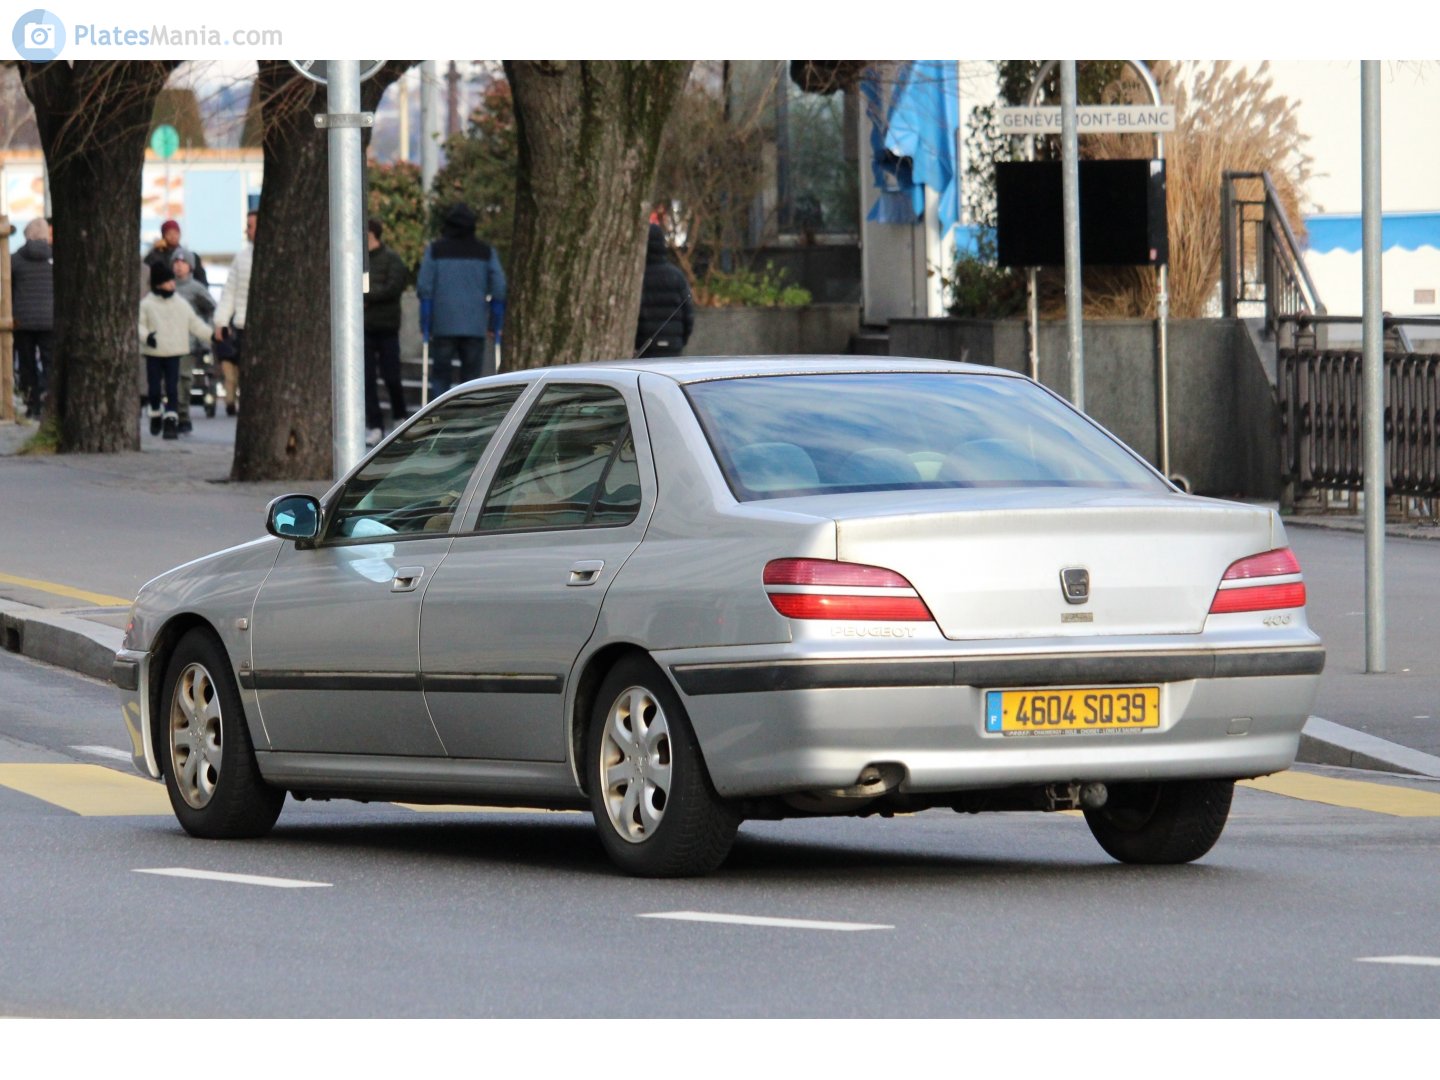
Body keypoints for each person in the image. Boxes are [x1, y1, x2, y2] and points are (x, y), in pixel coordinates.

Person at [416, 203, 506, 398]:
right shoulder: (485, 252)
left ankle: (438, 418)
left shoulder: (435, 250)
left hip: (443, 325)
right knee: (471, 380)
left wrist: (425, 323)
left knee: (440, 377)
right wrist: (495, 323)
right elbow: (499, 288)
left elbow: (425, 288)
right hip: (474, 326)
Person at [139, 262, 212, 440]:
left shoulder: (180, 303)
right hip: (154, 351)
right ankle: (155, 412)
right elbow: (139, 325)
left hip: (175, 351)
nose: (172, 285)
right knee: (154, 389)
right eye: (167, 282)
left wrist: (212, 336)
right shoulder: (147, 304)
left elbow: (194, 323)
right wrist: (147, 336)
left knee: (173, 387)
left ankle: (171, 420)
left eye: (172, 281)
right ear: (158, 284)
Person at [362, 218, 410, 446]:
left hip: (387, 328)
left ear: (371, 234)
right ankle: (375, 425)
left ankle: (400, 417)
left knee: (392, 376)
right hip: (365, 329)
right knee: (367, 380)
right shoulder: (360, 262)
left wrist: (367, 296)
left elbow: (393, 287)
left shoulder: (392, 259)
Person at [213, 210, 255, 415]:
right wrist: (221, 321)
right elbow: (229, 290)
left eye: (250, 225)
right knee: (240, 368)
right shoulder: (242, 257)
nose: (247, 230)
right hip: (242, 323)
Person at [10, 217, 53, 420]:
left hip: (23, 320)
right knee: (50, 362)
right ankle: (49, 400)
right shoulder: (54, 258)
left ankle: (31, 403)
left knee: (26, 364)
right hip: (49, 320)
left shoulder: (15, 259)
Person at [171, 253, 216, 434]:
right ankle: (172, 414)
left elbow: (212, 308)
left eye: (183, 262)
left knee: (184, 377)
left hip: (188, 342)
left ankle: (182, 415)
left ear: (190, 266)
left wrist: (206, 332)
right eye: (176, 262)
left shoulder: (196, 289)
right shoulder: (167, 287)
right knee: (170, 380)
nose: (179, 266)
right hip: (168, 340)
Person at [634, 223, 693, 358]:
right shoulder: (677, 276)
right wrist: (680, 340)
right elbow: (688, 314)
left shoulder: (639, 277)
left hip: (644, 347)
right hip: (673, 346)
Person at [144, 219, 207, 285]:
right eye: (169, 233)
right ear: (163, 235)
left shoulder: (190, 256)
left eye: (176, 233)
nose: (173, 236)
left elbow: (201, 280)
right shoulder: (154, 257)